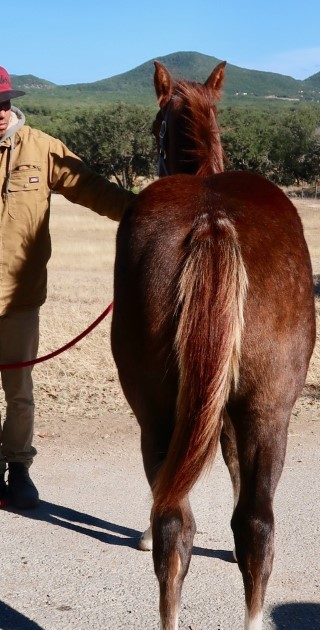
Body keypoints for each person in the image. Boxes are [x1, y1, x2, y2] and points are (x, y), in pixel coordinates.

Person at [0, 66, 134, 510]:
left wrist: (149, 211)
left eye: (4, 103)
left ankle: (18, 470)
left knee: (18, 391)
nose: (0, 113)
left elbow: (92, 188)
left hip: (19, 299)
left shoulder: (40, 149)